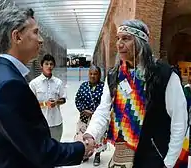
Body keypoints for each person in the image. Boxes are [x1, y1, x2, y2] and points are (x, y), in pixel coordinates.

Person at [0, 7, 94, 168]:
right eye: (35, 32)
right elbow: (41, 152)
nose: (41, 40)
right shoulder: (9, 86)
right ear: (17, 37)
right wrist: (81, 148)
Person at [83, 19, 188, 168]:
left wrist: (169, 162)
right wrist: (91, 134)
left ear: (140, 42)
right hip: (124, 154)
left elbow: (179, 120)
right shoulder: (114, 75)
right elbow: (103, 110)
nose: (119, 44)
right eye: (118, 38)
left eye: (126, 38)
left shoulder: (164, 75)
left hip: (157, 154)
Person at [75, 65, 107, 166]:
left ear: (99, 75)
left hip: (97, 118)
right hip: (84, 117)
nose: (92, 76)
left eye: (95, 74)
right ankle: (85, 154)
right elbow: (77, 99)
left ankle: (97, 155)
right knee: (83, 136)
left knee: (98, 136)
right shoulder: (84, 86)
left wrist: (94, 113)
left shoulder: (103, 87)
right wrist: (83, 110)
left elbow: (105, 103)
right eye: (91, 74)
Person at [29, 54, 66, 141]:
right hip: (39, 124)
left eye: (51, 64)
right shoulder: (34, 83)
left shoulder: (58, 82)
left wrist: (56, 102)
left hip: (56, 123)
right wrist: (45, 104)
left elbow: (63, 99)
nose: (49, 66)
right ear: (41, 66)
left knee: (56, 148)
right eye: (46, 64)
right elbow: (29, 104)